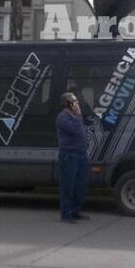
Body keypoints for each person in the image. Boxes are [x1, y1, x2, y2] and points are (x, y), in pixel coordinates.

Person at [56, 92, 90, 223]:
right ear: (66, 104)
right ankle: (66, 213)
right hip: (69, 156)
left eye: (76, 101)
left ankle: (76, 211)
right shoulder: (63, 117)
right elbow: (75, 130)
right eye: (73, 101)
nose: (76, 104)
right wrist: (79, 115)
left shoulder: (74, 116)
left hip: (81, 155)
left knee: (80, 185)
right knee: (68, 186)